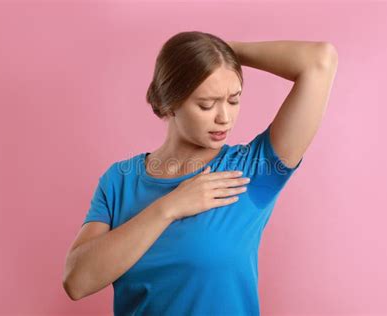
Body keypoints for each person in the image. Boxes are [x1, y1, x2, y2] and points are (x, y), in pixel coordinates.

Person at [63, 31, 338, 315]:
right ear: (170, 102)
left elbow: (320, 60)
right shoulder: (120, 179)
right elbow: (77, 281)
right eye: (206, 104)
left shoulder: (252, 171)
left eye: (234, 100)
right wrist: (169, 207)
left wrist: (221, 52)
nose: (225, 117)